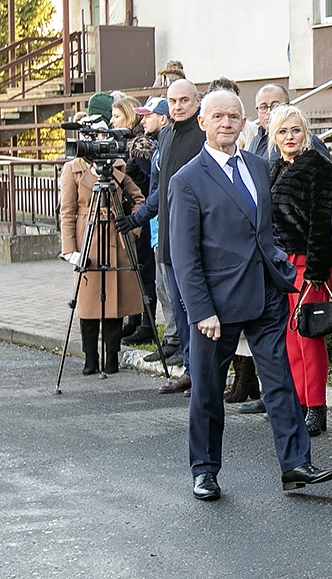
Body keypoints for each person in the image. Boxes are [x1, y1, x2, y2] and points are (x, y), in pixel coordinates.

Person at [168, 90, 332, 500]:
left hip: (265, 296)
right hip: (216, 307)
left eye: (234, 116)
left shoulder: (261, 166)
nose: (227, 123)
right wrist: (200, 310)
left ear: (244, 123)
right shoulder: (187, 180)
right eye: (218, 117)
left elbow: (267, 229)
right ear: (203, 123)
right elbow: (184, 254)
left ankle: (296, 464)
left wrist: (280, 269)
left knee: (280, 382)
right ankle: (205, 470)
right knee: (208, 391)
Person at [60, 94, 146, 375]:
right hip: (88, 242)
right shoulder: (72, 169)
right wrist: (70, 250)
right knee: (87, 304)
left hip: (116, 240)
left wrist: (132, 230)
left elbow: (139, 199)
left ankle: (112, 358)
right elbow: (68, 212)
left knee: (114, 302)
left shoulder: (117, 166)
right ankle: (89, 359)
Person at [267, 104, 332, 436]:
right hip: (280, 264)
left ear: (305, 131)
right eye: (282, 131)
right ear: (274, 136)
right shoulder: (276, 167)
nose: (290, 137)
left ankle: (316, 407)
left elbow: (321, 222)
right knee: (289, 339)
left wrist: (316, 268)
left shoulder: (318, 167)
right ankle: (298, 401)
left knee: (308, 337)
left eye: (295, 130)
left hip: (306, 263)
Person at [116, 97, 184, 366]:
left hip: (163, 225)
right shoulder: (158, 147)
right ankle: (171, 339)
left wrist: (138, 217)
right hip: (156, 227)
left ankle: (177, 341)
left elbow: (158, 192)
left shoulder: (164, 147)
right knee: (162, 286)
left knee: (170, 288)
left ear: (164, 119)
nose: (143, 121)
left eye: (148, 116)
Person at [152, 79, 205, 394]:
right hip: (169, 235)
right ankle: (188, 368)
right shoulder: (165, 134)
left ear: (197, 101)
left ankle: (202, 372)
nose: (178, 106)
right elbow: (161, 187)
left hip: (196, 238)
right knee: (177, 307)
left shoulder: (202, 134)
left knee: (195, 306)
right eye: (172, 101)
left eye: (184, 100)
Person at [109, 96, 159, 348]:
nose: (111, 121)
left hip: (142, 214)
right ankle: (135, 319)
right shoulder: (124, 143)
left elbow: (151, 183)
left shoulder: (139, 146)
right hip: (130, 216)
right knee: (132, 266)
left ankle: (147, 324)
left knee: (144, 269)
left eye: (116, 116)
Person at [248, 84, 329, 161]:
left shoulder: (306, 140)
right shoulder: (256, 140)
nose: (269, 112)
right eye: (263, 107)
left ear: (289, 106)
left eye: (275, 106)